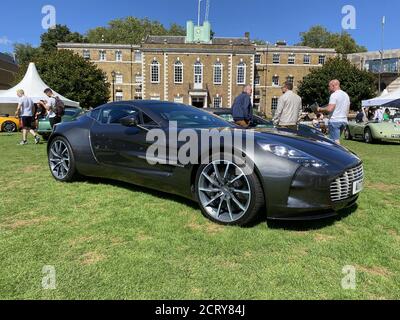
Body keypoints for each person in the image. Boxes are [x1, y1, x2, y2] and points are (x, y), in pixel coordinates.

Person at [317, 79, 350, 145]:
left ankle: (339, 154)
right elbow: (347, 109)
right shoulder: (346, 95)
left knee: (334, 142)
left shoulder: (334, 95)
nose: (328, 88)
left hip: (335, 121)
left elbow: (330, 109)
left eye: (329, 86)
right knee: (336, 140)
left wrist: (320, 109)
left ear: (333, 85)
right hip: (343, 120)